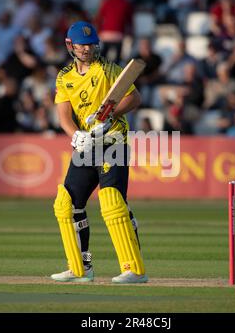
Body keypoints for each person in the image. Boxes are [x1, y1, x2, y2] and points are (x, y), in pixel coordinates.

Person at [51, 21, 148, 284]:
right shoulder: (64, 76)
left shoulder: (107, 69)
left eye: (91, 44)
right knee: (67, 205)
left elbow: (134, 97)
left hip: (113, 141)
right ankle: (81, 268)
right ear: (70, 45)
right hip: (86, 146)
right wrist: (77, 136)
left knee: (112, 202)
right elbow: (63, 116)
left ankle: (134, 270)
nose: (87, 49)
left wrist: (110, 115)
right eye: (82, 44)